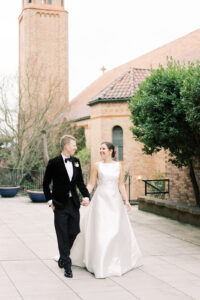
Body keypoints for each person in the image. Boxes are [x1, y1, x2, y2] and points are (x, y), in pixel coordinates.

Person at [69, 141, 142, 278]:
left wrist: (126, 200)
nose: (101, 151)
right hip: (100, 201)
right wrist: (86, 197)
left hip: (114, 202)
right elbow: (91, 183)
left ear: (111, 151)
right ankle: (99, 262)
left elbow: (121, 185)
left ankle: (114, 261)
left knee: (115, 230)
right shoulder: (97, 166)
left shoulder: (118, 166)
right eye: (100, 148)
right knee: (101, 230)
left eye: (103, 148)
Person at [43, 135, 90, 278]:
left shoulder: (76, 162)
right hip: (59, 204)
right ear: (66, 146)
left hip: (73, 203)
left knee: (74, 231)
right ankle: (67, 266)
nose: (76, 147)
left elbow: (80, 182)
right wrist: (50, 201)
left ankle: (63, 257)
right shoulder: (53, 162)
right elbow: (46, 184)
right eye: (74, 145)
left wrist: (86, 196)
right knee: (62, 234)